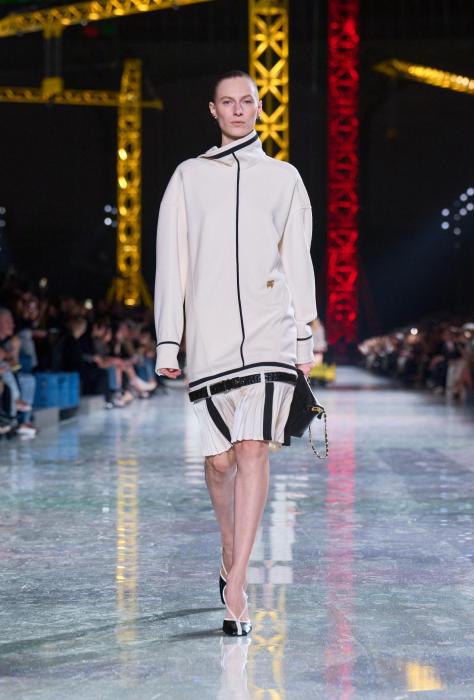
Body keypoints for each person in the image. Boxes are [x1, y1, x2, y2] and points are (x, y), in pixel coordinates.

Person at [154, 70, 317, 636]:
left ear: (259, 107)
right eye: (228, 102)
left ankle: (240, 582)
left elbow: (297, 259)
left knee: (253, 449)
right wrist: (168, 337)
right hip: (210, 335)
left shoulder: (284, 178)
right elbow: (171, 260)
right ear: (213, 110)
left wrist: (304, 335)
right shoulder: (188, 177)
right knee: (220, 461)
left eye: (247, 101)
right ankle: (229, 547)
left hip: (271, 332)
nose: (239, 109)